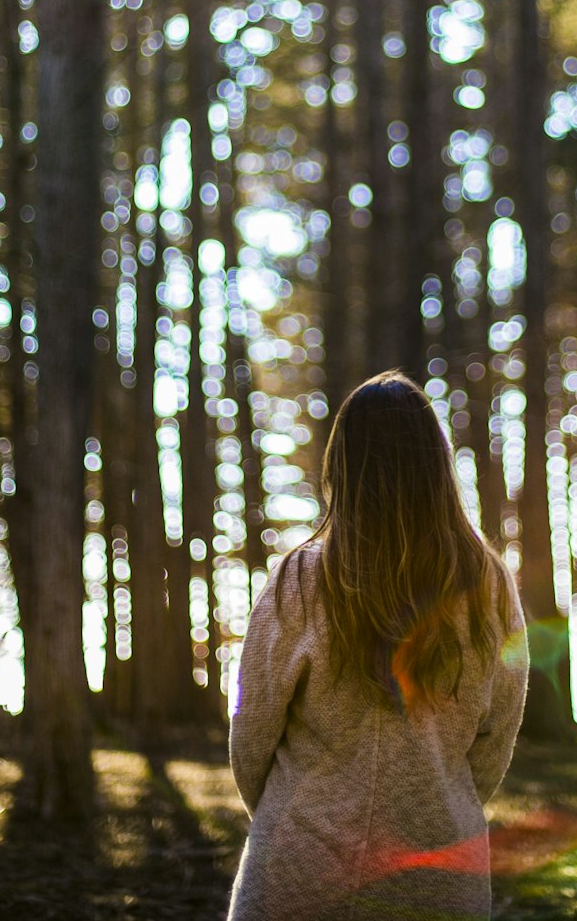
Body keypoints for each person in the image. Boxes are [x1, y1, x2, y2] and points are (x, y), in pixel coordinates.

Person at [226, 370, 529, 921]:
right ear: (436, 464)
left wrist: (290, 814)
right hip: (438, 880)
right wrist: (437, 803)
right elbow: (493, 742)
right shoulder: (489, 587)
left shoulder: (300, 578)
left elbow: (251, 738)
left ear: (343, 464)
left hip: (300, 874)